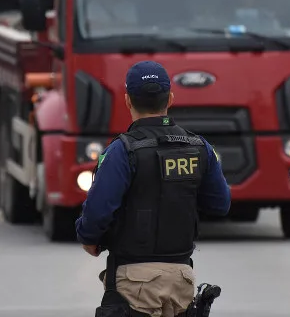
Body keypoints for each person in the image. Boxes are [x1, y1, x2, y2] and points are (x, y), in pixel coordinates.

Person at [75, 61, 231, 317]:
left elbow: (98, 209)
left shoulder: (122, 151)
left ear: (127, 101)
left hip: (134, 280)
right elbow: (220, 204)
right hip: (182, 278)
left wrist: (89, 238)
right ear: (170, 98)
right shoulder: (199, 147)